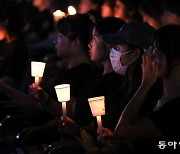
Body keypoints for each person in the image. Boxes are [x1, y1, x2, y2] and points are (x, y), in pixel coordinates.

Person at [57, 22, 163, 153]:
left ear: (135, 54)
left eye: (117, 49)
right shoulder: (124, 83)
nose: (112, 52)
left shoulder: (146, 92)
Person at [114, 25, 180, 153]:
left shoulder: (175, 107)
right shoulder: (160, 96)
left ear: (176, 61)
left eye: (155, 53)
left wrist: (145, 84)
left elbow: (122, 130)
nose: (149, 58)